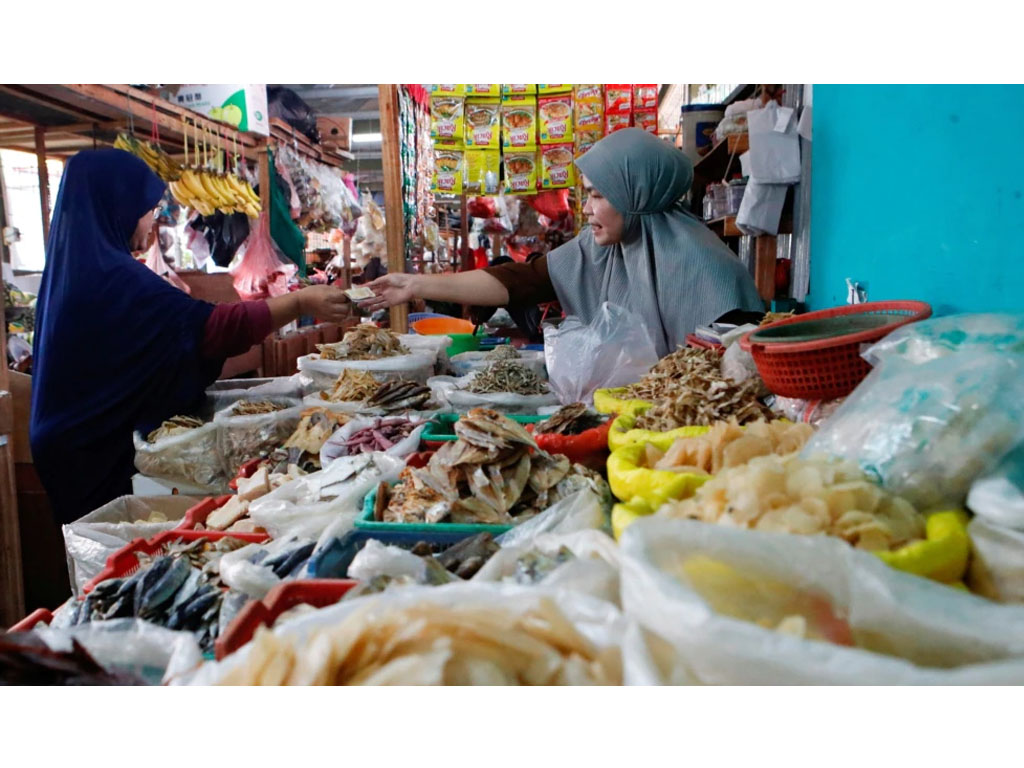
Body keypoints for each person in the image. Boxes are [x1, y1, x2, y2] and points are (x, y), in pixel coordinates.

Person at [30, 149, 352, 524]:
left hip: (68, 442)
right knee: (112, 564)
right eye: (147, 208)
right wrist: (298, 303)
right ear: (117, 205)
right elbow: (209, 329)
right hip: (93, 450)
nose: (153, 220)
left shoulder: (72, 269)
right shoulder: (113, 279)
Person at [361, 128, 764, 358]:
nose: (586, 209)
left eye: (597, 195)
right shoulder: (600, 247)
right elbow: (519, 280)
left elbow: (736, 365)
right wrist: (415, 285)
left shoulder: (708, 266)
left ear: (636, 193)